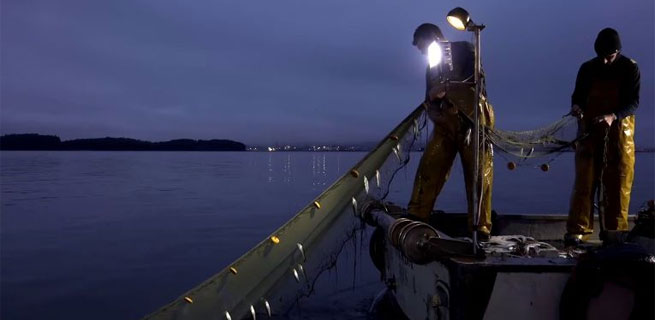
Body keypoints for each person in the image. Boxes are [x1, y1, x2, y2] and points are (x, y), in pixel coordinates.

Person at [407, 23, 495, 239]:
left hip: (473, 120)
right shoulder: (431, 66)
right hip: (445, 122)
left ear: (433, 38)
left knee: (478, 173)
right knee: (430, 164)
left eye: (423, 46)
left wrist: (450, 89)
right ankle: (418, 214)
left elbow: (477, 79)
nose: (423, 52)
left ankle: (480, 226)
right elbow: (429, 97)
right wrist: (433, 100)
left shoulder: (465, 49)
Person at [565, 28, 640, 245]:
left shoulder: (630, 68)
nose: (605, 61)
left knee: (618, 184)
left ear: (617, 52)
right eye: (602, 57)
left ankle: (614, 231)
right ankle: (578, 230)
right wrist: (577, 107)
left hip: (619, 136)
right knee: (584, 184)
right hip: (589, 134)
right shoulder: (587, 68)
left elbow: (633, 102)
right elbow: (577, 96)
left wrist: (613, 116)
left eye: (609, 57)